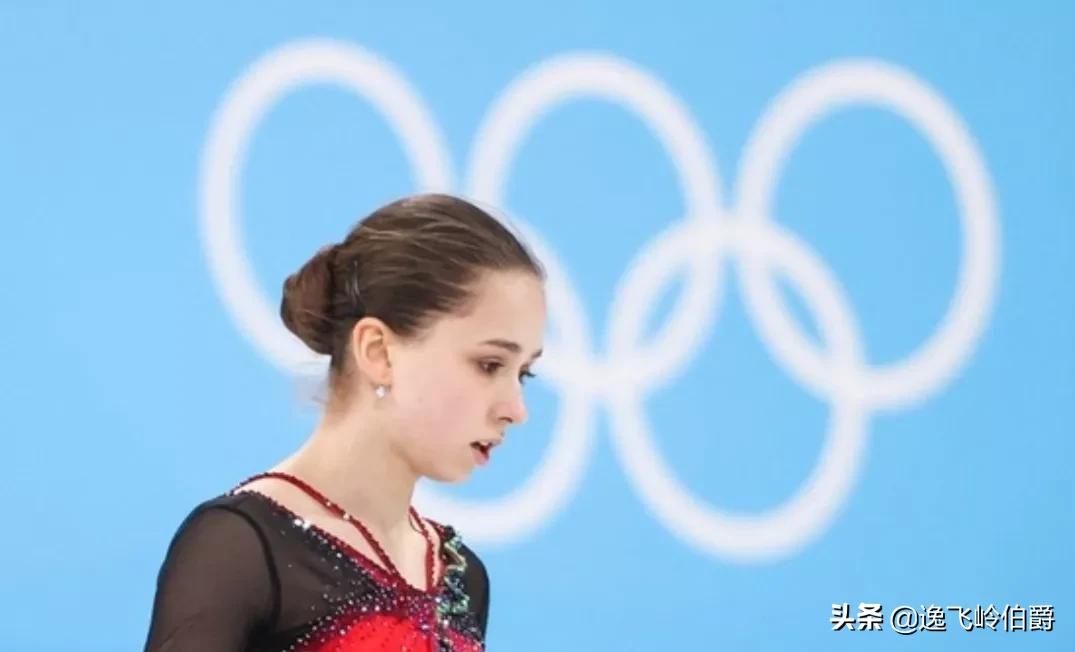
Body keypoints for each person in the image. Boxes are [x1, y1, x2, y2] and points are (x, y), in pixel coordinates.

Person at [143, 193, 547, 652]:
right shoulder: (241, 550)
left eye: (524, 373)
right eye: (490, 365)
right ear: (378, 352)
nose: (516, 409)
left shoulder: (461, 577)